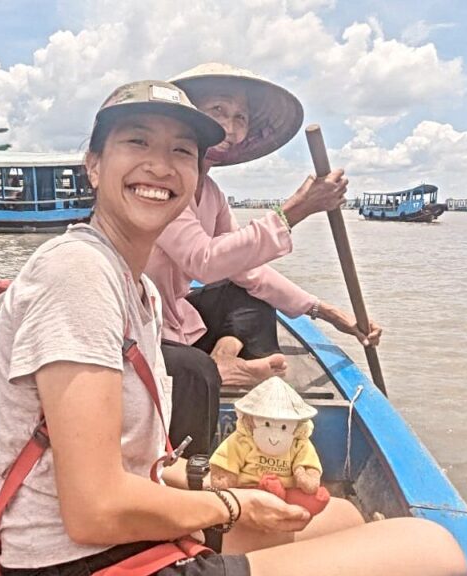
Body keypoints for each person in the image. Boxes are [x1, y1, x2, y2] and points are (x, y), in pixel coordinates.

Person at [0, 78, 467, 576]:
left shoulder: (140, 289)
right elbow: (95, 510)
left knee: (340, 515)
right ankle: (234, 370)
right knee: (434, 549)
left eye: (181, 151)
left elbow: (139, 464)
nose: (161, 165)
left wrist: (217, 480)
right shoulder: (78, 272)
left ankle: (239, 369)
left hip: (125, 533)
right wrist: (232, 506)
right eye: (137, 142)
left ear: (194, 171)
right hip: (77, 559)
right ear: (93, 165)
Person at [146, 63, 382, 455]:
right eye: (218, 112)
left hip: (177, 314)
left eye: (240, 117)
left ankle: (227, 355)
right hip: (148, 323)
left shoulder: (213, 193)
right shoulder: (165, 181)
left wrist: (327, 312)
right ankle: (218, 367)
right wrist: (296, 210)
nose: (232, 127)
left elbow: (245, 268)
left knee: (249, 297)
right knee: (194, 370)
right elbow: (202, 261)